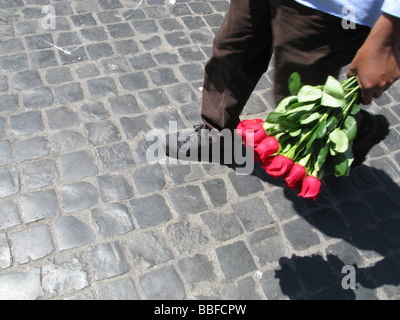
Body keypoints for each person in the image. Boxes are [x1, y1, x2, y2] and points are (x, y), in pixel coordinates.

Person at [166, 0, 400, 167]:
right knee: (232, 50)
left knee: (300, 99)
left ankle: (361, 131)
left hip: (332, 9)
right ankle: (217, 133)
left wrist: (387, 38)